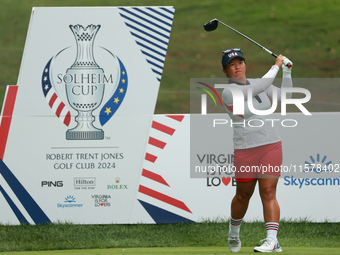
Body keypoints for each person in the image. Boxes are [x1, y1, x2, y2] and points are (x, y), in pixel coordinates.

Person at [220, 48, 293, 253]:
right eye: (232, 65)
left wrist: (286, 73)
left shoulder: (258, 83)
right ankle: (233, 233)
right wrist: (277, 66)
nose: (237, 67)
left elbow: (285, 98)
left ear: (245, 64)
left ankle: (272, 240)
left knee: (268, 191)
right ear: (225, 70)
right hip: (245, 149)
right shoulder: (229, 92)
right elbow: (263, 85)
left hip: (271, 144)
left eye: (240, 63)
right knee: (243, 195)